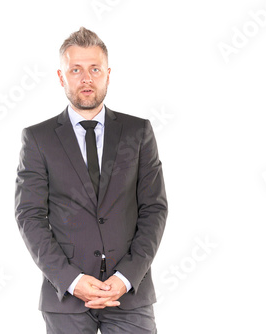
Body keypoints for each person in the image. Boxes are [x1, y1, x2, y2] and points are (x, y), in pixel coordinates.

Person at [15, 27, 168, 333]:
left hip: (129, 296)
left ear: (107, 74)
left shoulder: (138, 132)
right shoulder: (38, 138)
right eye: (76, 70)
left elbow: (154, 210)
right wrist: (71, 280)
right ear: (62, 77)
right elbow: (30, 216)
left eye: (94, 69)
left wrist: (125, 278)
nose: (86, 78)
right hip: (66, 299)